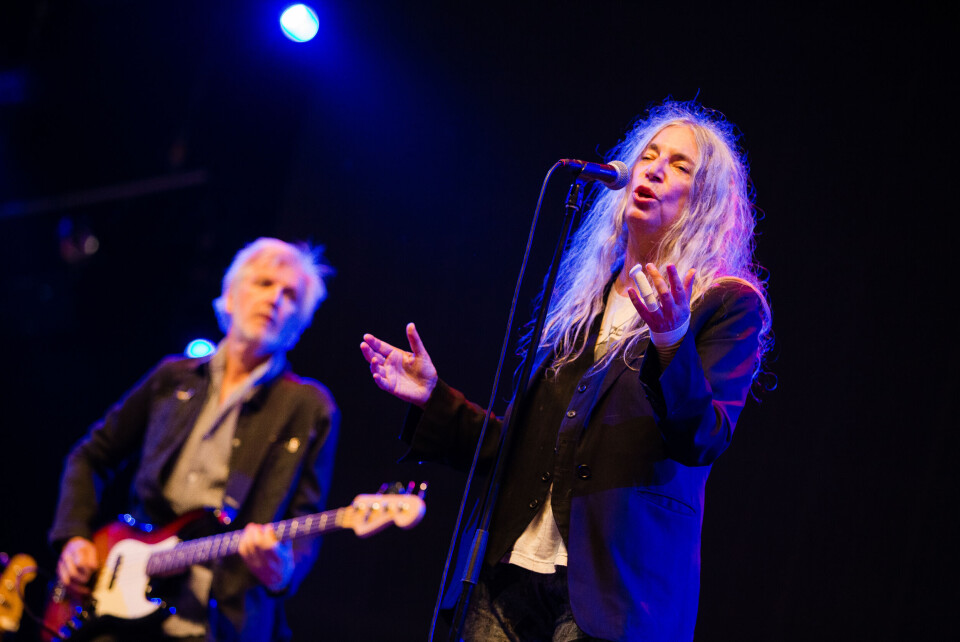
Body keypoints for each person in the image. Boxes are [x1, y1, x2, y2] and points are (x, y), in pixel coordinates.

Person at [360, 100, 773, 641]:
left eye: (678, 165)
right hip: (508, 577)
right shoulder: (586, 305)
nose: (651, 169)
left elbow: (703, 437)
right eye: (648, 156)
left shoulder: (723, 304)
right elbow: (519, 449)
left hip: (613, 591)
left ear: (707, 200)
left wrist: (671, 339)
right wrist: (434, 399)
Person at [49, 238, 340, 641]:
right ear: (231, 294)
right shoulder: (172, 378)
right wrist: (75, 537)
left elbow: (306, 522)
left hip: (220, 621)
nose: (276, 299)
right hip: (122, 603)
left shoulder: (308, 406)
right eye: (264, 283)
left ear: (300, 321)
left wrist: (283, 571)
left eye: (291, 295)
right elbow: (90, 456)